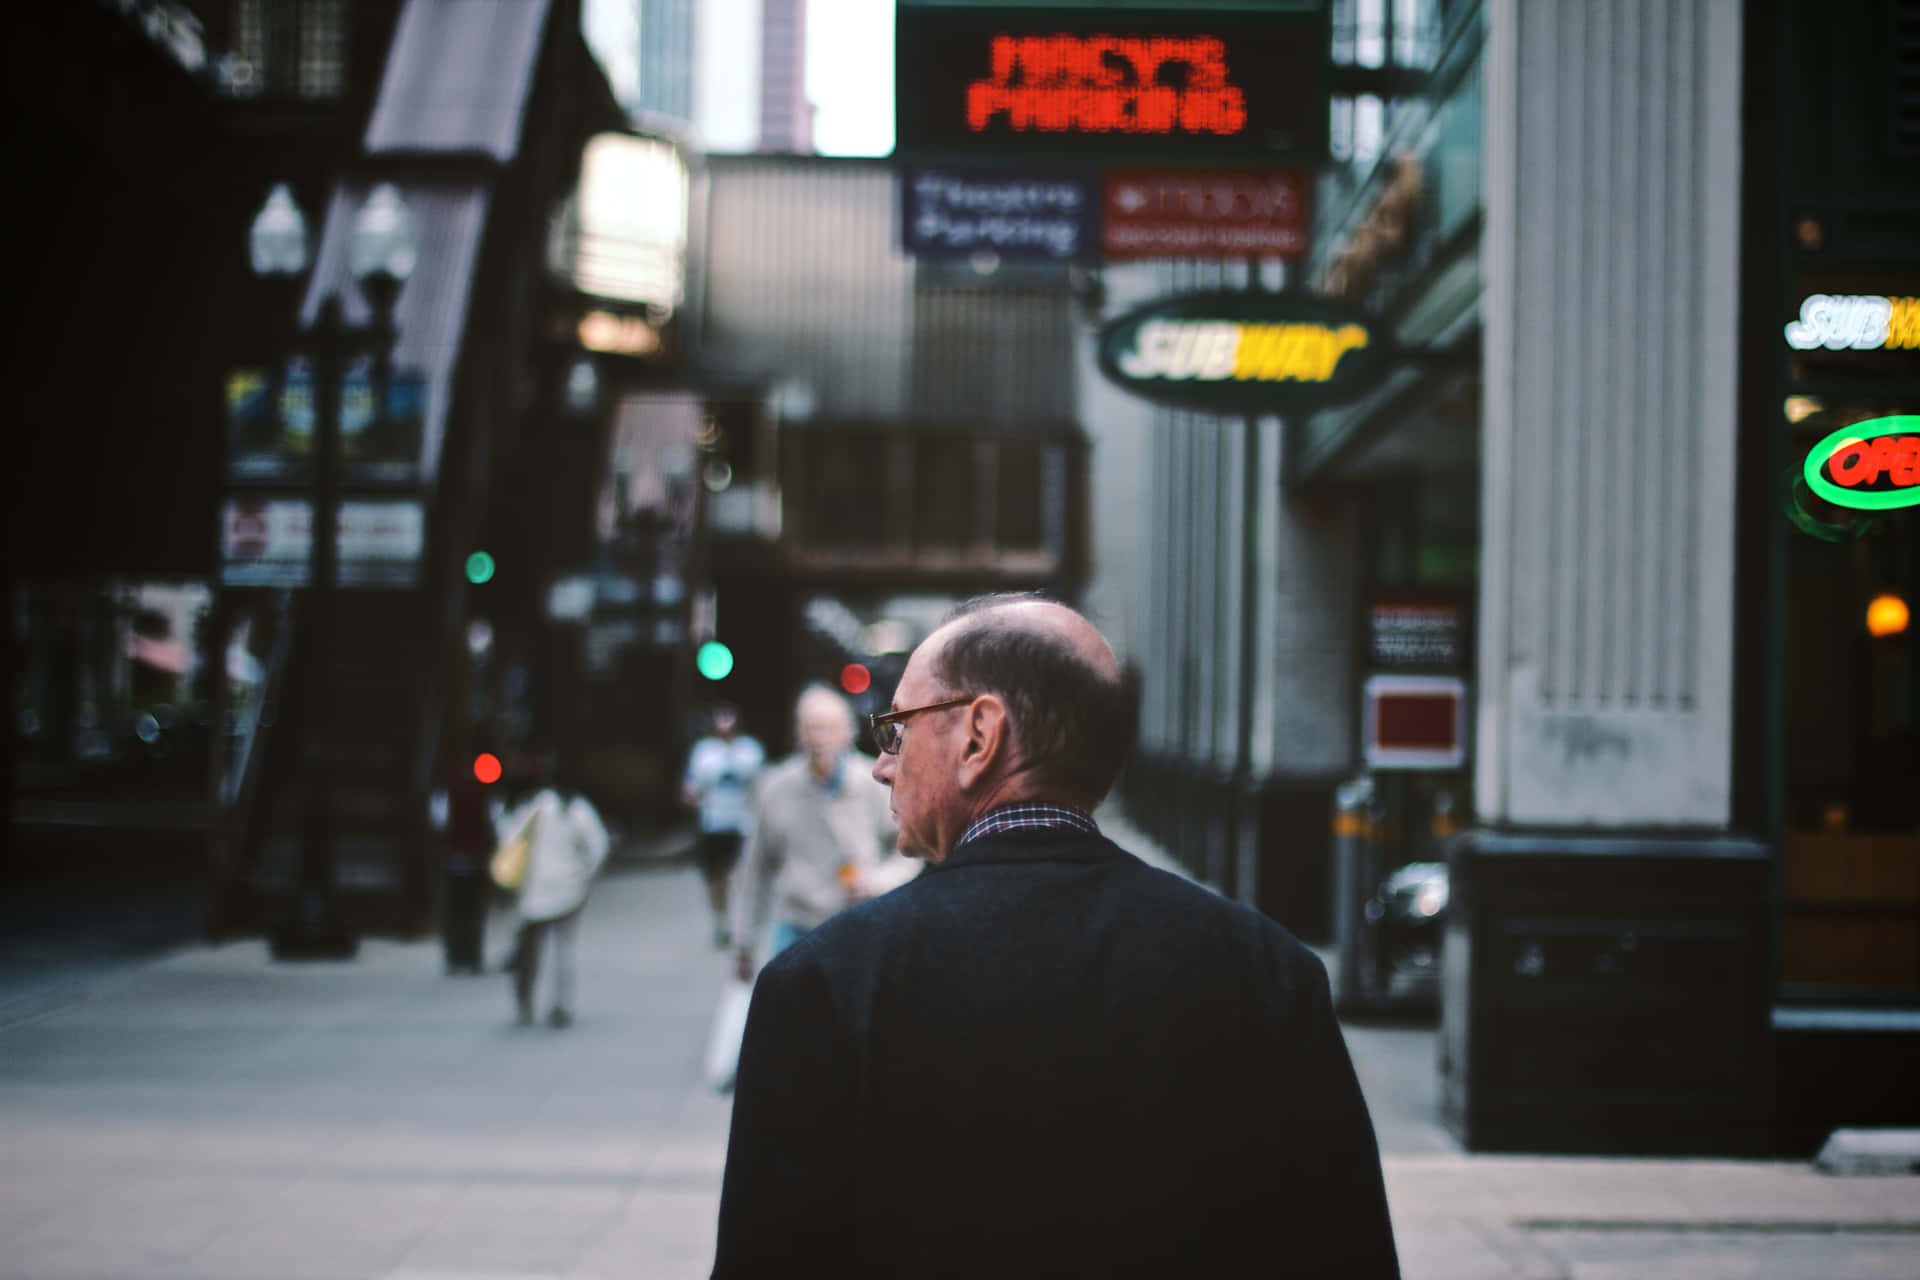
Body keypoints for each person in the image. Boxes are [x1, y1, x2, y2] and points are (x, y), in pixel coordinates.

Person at [712, 595, 1400, 1278]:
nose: (881, 764)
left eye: (897, 729)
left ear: (979, 737)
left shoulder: (822, 986)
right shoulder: (1268, 974)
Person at [728, 685, 915, 984]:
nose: (819, 737)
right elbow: (755, 868)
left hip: (858, 920)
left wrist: (878, 881)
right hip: (796, 925)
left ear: (847, 732)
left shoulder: (873, 782)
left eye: (828, 728)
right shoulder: (775, 788)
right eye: (811, 728)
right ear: (798, 734)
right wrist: (743, 942)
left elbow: (909, 852)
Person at [497, 754, 611, 1029]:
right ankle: (562, 1004)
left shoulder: (529, 807)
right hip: (570, 889)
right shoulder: (575, 807)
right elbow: (599, 845)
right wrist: (585, 876)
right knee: (563, 949)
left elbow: (508, 841)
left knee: (531, 950)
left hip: (534, 892)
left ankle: (525, 1001)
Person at [680, 703, 765, 948]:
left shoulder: (750, 750)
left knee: (738, 876)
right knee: (715, 878)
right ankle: (721, 920)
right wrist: (692, 797)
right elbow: (690, 786)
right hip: (713, 823)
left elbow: (761, 785)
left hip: (742, 823)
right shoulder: (703, 752)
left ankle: (740, 922)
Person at [429, 757, 496, 974]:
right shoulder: (485, 793)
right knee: (473, 909)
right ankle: (472, 957)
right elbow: (493, 821)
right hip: (477, 858)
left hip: (454, 857)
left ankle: (455, 957)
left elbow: (439, 821)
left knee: (454, 910)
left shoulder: (447, 792)